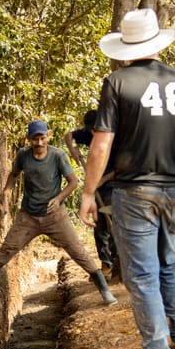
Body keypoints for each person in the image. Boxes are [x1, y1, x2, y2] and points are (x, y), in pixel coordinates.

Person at [79, 8, 175, 349]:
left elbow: (101, 145)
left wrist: (88, 192)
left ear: (126, 47)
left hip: (135, 192)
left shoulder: (117, 82)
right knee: (168, 262)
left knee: (142, 275)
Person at [0, 119, 117, 305]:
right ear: (28, 138)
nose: (39, 143)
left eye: (42, 138)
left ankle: (104, 291)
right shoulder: (23, 155)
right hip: (28, 216)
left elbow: (73, 182)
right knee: (9, 247)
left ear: (48, 136)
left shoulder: (57, 156)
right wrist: (6, 191)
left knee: (78, 251)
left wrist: (59, 198)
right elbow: (13, 174)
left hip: (55, 216)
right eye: (35, 139)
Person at [64, 110, 120, 282]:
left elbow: (122, 167)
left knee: (115, 225)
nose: (93, 133)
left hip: (115, 186)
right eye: (91, 130)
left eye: (96, 129)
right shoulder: (89, 134)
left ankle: (119, 263)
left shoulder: (117, 138)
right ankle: (106, 264)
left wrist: (102, 180)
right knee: (100, 226)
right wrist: (73, 151)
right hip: (97, 188)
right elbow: (68, 136)